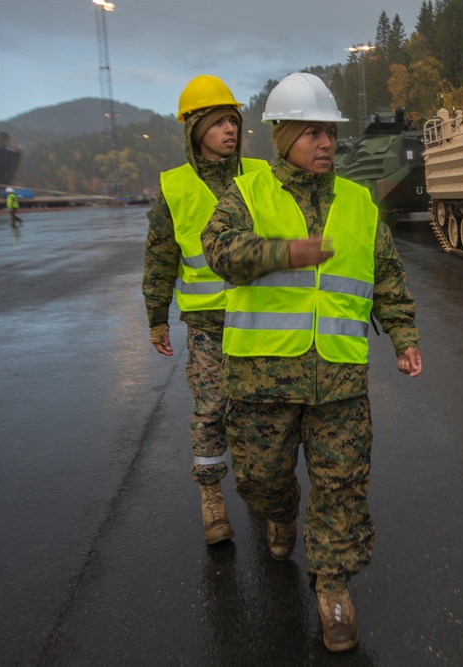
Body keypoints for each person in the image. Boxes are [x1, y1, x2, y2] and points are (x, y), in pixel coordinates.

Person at [201, 72, 422, 653]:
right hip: (261, 378)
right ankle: (281, 513)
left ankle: (333, 589)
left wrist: (403, 336)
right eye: (312, 132)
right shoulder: (247, 195)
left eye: (329, 132)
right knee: (259, 480)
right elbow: (218, 251)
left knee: (342, 484)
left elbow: (387, 276)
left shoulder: (358, 201)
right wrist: (284, 252)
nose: (325, 143)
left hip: (340, 378)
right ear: (283, 136)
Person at [142, 74, 268, 545]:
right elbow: (159, 257)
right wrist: (157, 315)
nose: (229, 131)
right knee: (211, 411)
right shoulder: (174, 188)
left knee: (258, 413)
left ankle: (262, 493)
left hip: (261, 321)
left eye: (232, 122)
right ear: (196, 131)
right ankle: (212, 501)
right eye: (217, 123)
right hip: (208, 328)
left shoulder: (260, 176)